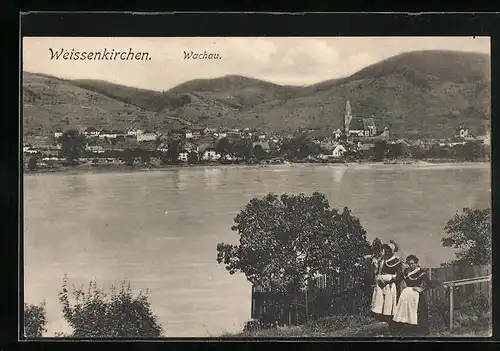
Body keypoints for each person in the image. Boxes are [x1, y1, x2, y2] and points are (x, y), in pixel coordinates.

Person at [392, 255, 430, 337]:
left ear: (416, 263)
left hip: (417, 295)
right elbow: (398, 279)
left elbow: (428, 283)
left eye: (412, 264)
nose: (411, 266)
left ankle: (421, 331)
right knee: (405, 312)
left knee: (420, 311)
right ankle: (407, 331)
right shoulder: (406, 272)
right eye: (409, 264)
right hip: (406, 295)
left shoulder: (421, 272)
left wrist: (421, 288)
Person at [370, 242, 403, 323]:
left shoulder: (396, 261)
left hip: (389, 284)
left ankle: (388, 318)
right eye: (386, 250)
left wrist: (390, 280)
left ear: (392, 251)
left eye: (389, 250)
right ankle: (379, 317)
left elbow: (399, 275)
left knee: (389, 300)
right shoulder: (382, 260)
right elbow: (378, 271)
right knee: (379, 299)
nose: (386, 251)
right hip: (380, 283)